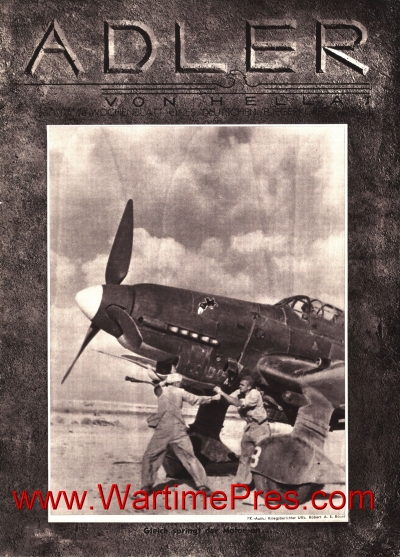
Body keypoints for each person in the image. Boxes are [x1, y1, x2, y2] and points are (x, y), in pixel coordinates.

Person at [140, 372, 220, 497]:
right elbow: (197, 399)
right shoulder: (180, 392)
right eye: (180, 382)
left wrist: (162, 382)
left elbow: (157, 387)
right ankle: (203, 486)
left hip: (163, 430)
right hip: (178, 429)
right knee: (190, 458)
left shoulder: (160, 390)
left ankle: (146, 486)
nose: (180, 384)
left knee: (150, 456)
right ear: (177, 382)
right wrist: (213, 398)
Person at [214, 375, 270, 486]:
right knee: (244, 457)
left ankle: (266, 484)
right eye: (239, 384)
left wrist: (221, 392)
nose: (239, 386)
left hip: (260, 428)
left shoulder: (254, 394)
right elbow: (228, 398)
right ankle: (242, 483)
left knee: (262, 457)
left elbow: (238, 403)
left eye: (242, 385)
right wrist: (215, 396)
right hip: (249, 428)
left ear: (249, 387)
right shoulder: (239, 393)